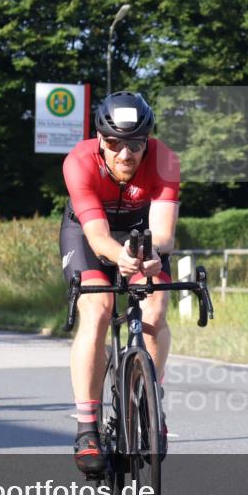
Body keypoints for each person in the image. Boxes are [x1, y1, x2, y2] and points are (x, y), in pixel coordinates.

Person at [59, 91, 180, 473]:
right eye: (113, 143)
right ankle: (87, 426)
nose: (125, 154)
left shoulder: (165, 160)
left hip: (142, 235)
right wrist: (120, 258)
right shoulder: (79, 162)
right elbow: (97, 238)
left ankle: (150, 402)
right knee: (97, 309)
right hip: (88, 234)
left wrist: (148, 258)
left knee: (156, 306)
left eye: (135, 144)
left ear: (147, 141)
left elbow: (162, 235)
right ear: (100, 140)